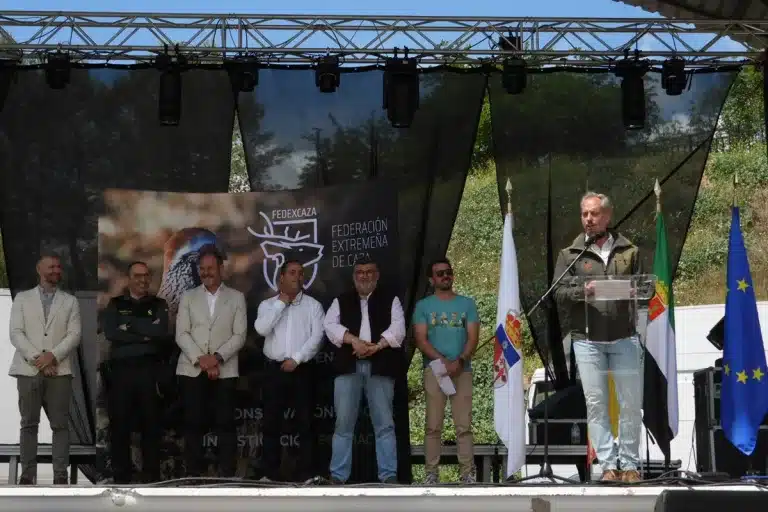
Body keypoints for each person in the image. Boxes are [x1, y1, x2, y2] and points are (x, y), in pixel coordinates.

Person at [552, 191, 645, 483]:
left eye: (594, 214)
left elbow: (647, 288)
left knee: (630, 404)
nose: (589, 219)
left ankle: (629, 465)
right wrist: (584, 291)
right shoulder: (570, 254)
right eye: (584, 214)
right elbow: (558, 292)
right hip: (587, 340)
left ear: (607, 216)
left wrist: (636, 291)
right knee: (596, 405)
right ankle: (608, 466)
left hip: (624, 337)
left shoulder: (629, 250)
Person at [324, 257, 405, 484]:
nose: (364, 276)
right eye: (360, 272)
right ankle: (338, 476)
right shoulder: (341, 300)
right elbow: (329, 325)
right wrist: (353, 341)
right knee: (343, 425)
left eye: (369, 272)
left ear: (376, 276)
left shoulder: (391, 300)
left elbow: (398, 329)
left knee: (384, 424)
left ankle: (388, 476)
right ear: (354, 277)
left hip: (380, 366)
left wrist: (376, 346)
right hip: (348, 367)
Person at [8, 253, 81, 485]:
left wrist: (53, 356)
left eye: (58, 267)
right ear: (39, 270)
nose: (56, 270)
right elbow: (16, 333)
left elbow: (74, 334)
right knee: (29, 424)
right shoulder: (23, 298)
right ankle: (27, 475)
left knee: (60, 425)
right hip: (28, 370)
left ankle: (60, 475)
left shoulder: (70, 301)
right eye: (51, 267)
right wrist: (39, 359)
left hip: (59, 371)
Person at [175, 246, 247, 477]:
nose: (206, 273)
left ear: (221, 269)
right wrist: (202, 360)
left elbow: (240, 335)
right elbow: (181, 334)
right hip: (192, 370)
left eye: (210, 268)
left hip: (225, 370)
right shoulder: (188, 297)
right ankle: (193, 475)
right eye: (202, 269)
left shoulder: (236, 298)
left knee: (225, 424)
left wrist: (216, 358)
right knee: (193, 424)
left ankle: (227, 475)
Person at [254, 259, 325, 481]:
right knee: (271, 423)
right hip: (274, 370)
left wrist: (296, 359)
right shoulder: (267, 305)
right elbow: (261, 329)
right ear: (281, 278)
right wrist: (281, 303)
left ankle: (307, 474)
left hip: (302, 370)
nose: (297, 276)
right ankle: (270, 474)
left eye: (300, 273)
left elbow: (317, 337)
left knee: (306, 423)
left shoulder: (313, 306)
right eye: (292, 272)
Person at [412, 257, 479, 484]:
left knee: (464, 425)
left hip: (463, 369)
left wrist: (460, 360)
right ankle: (431, 474)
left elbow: (473, 337)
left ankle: (467, 474)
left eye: (448, 272)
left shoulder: (467, 304)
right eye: (440, 273)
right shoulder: (423, 306)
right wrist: (443, 362)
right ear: (432, 280)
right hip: (434, 370)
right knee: (433, 425)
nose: (445, 276)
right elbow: (420, 340)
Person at [102, 261, 169, 483]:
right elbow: (112, 333)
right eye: (138, 275)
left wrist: (129, 326)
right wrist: (146, 333)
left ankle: (151, 476)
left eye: (146, 275)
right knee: (120, 425)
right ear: (129, 279)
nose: (143, 280)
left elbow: (160, 332)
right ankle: (121, 477)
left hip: (149, 370)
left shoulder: (158, 304)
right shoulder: (116, 303)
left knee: (151, 424)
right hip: (121, 371)